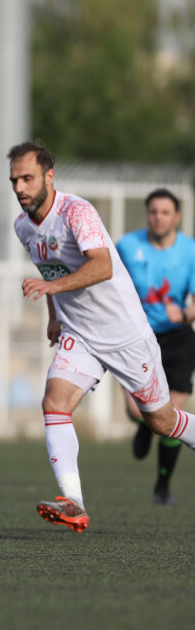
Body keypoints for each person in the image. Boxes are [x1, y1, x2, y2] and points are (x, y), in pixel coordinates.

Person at [10, 141, 195, 533]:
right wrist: (54, 316)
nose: (20, 188)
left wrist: (52, 291)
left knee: (161, 422)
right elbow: (51, 269)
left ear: (49, 176)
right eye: (14, 180)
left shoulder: (77, 212)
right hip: (81, 334)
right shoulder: (23, 227)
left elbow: (103, 266)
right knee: (54, 402)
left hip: (125, 333)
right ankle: (73, 502)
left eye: (27, 178)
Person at [115, 188, 195, 504]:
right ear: (147, 214)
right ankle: (143, 423)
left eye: (165, 212)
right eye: (153, 212)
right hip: (136, 337)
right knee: (137, 410)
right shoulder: (127, 246)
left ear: (176, 217)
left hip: (177, 338)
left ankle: (163, 486)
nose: (158, 217)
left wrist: (185, 313)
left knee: (172, 415)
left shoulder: (190, 250)